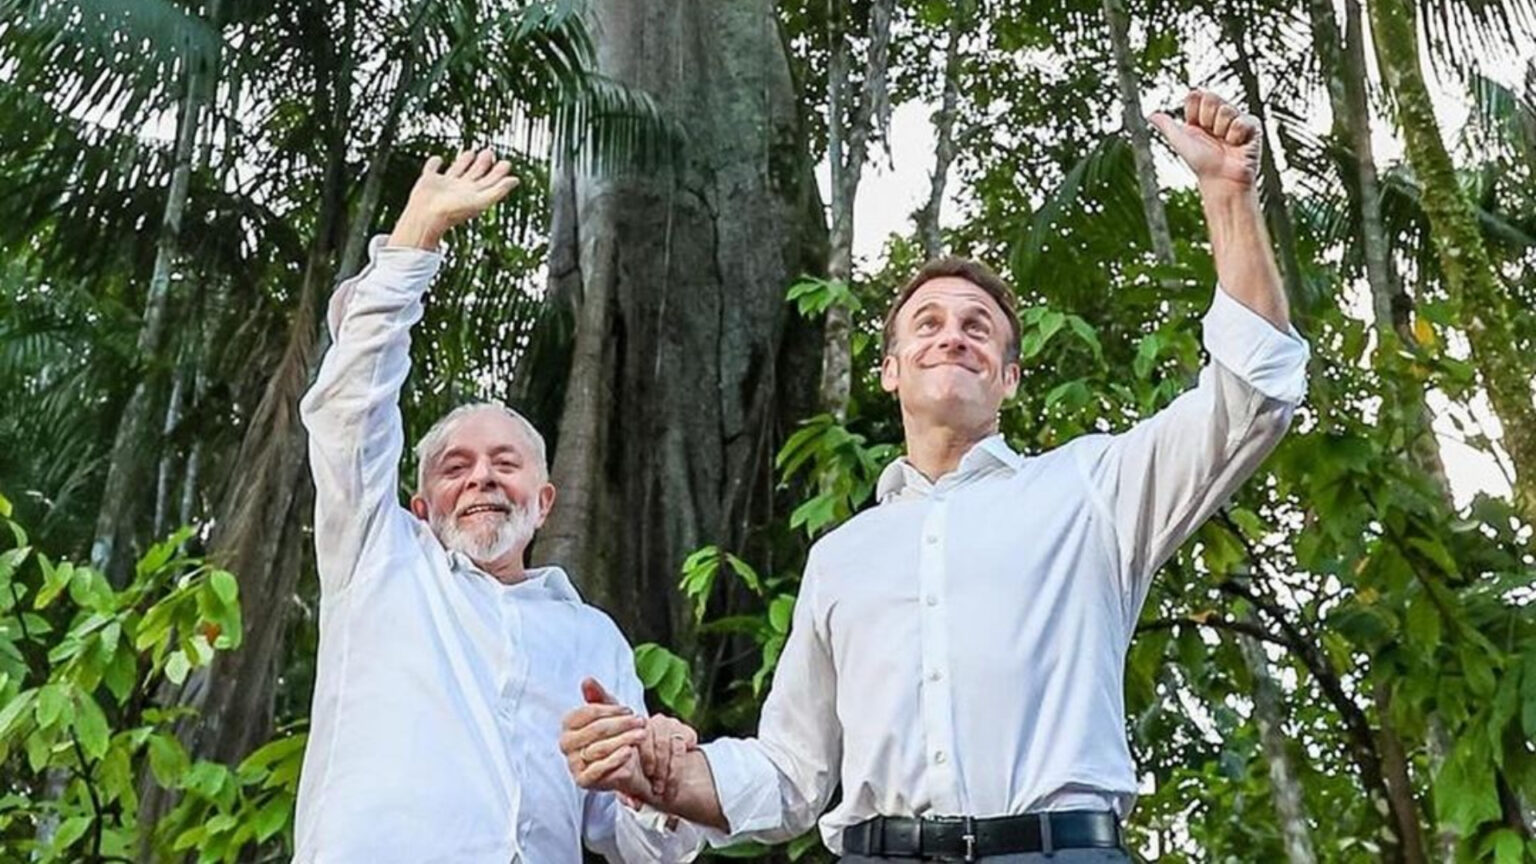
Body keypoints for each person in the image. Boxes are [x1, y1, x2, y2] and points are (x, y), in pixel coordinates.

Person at [559, 88, 1310, 861]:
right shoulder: (841, 557)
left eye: (978, 328)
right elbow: (790, 773)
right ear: (889, 371)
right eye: (929, 324)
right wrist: (664, 776)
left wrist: (1227, 197)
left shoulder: (1093, 489)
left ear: (1010, 377)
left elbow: (1253, 395)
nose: (953, 337)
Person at [295, 148, 701, 863]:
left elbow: (636, 843)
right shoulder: (380, 561)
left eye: (504, 464)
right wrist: (415, 239)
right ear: (420, 507)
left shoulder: (591, 639)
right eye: (456, 467)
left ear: (544, 503)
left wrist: (655, 788)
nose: (481, 479)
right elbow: (346, 415)